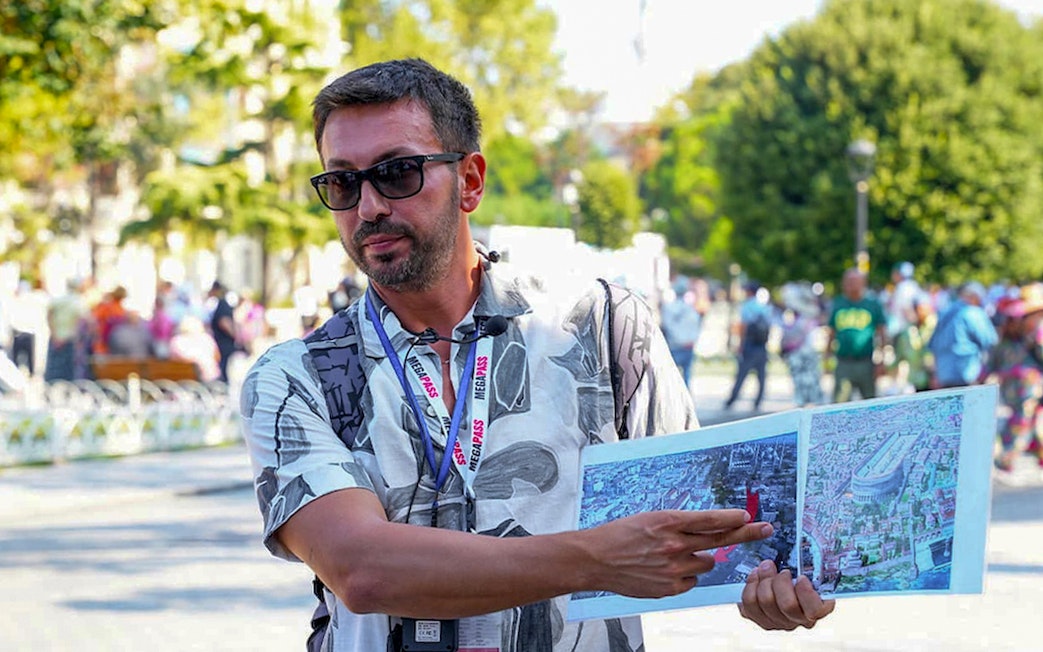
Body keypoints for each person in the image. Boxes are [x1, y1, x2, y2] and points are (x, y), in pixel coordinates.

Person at [240, 59, 833, 652]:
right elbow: (362, 570)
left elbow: (711, 533)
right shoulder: (295, 378)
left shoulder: (603, 326)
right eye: (343, 183)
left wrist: (769, 586)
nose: (368, 207)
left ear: (470, 180)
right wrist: (597, 561)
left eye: (397, 173)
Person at [825, 268, 887, 403]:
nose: (850, 285)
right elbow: (831, 331)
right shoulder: (839, 303)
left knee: (870, 403)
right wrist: (827, 355)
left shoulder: (872, 304)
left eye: (854, 281)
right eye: (848, 281)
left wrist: (882, 359)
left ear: (863, 283)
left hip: (865, 361)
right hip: (843, 361)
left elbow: (881, 331)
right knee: (839, 402)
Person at [927, 281, 998, 389]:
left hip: (943, 376)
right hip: (967, 373)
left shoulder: (945, 312)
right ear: (974, 297)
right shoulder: (972, 312)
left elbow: (932, 344)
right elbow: (990, 340)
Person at [724, 282, 772, 411]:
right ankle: (758, 401)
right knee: (761, 375)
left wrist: (740, 344)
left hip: (750, 343)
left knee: (742, 373)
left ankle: (732, 399)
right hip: (762, 345)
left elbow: (743, 327)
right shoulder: (764, 307)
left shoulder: (747, 306)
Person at [779, 282, 824, 407]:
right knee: (802, 384)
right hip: (799, 354)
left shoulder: (804, 318)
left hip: (804, 353)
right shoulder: (798, 317)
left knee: (809, 383)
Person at [659, 274, 702, 388]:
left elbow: (668, 327)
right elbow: (696, 326)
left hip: (674, 346)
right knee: (687, 377)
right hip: (688, 346)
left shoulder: (668, 308)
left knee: (669, 378)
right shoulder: (691, 309)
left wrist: (679, 340)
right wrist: (690, 341)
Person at [207, 281, 239, 383]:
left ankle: (222, 383)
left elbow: (224, 322)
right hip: (223, 341)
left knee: (223, 364)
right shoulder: (222, 304)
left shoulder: (222, 304)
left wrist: (234, 334)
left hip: (223, 342)